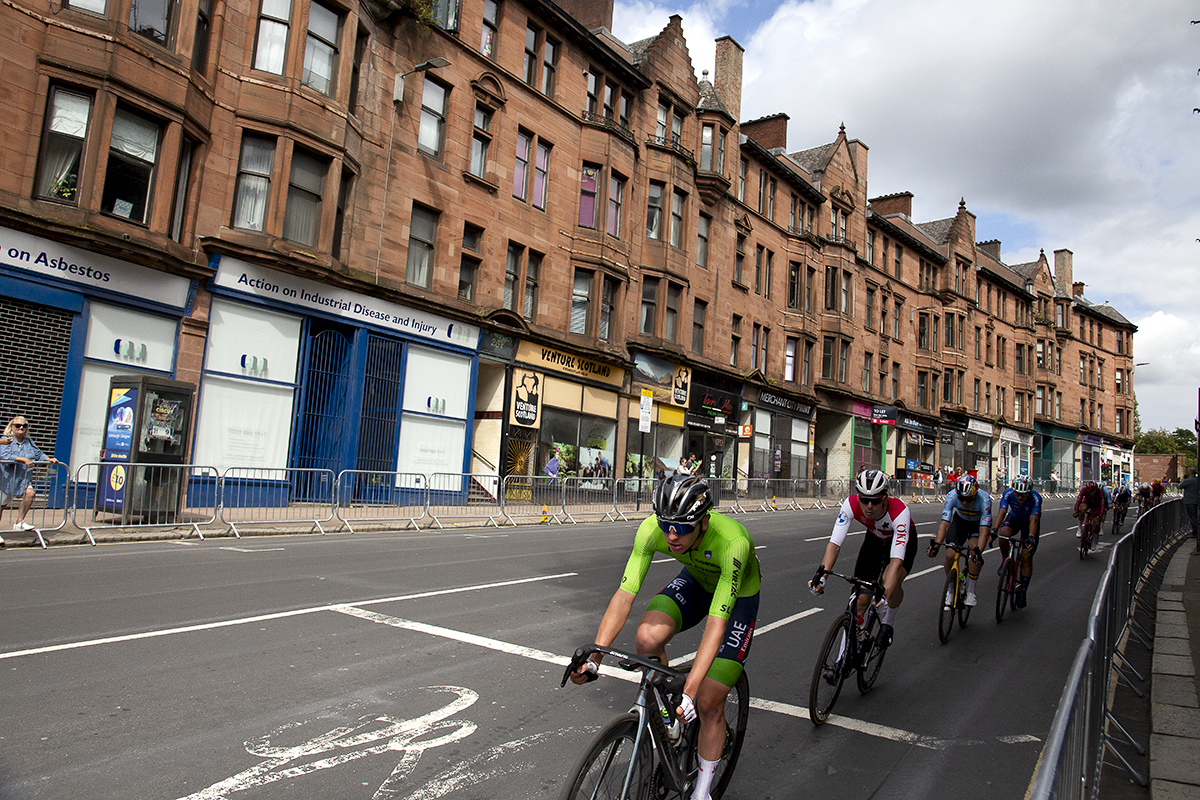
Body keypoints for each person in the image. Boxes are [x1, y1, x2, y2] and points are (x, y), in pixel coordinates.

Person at [569, 473, 760, 800]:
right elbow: (624, 595)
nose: (672, 535)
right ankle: (671, 718)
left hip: (737, 597)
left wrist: (692, 687)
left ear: (703, 522)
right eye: (665, 524)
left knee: (709, 697)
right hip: (697, 584)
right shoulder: (652, 531)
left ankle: (702, 792)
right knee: (646, 638)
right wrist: (595, 657)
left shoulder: (732, 543)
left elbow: (716, 623)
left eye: (682, 527)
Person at [809, 469, 916, 648]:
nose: (869, 506)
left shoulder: (900, 512)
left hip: (901, 542)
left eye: (874, 501)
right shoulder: (851, 504)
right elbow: (834, 544)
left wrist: (884, 593)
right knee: (860, 597)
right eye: (864, 500)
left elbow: (896, 561)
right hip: (874, 539)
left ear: (885, 497)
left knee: (891, 582)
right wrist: (822, 576)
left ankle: (889, 622)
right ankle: (848, 648)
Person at [927, 475, 993, 608]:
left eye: (968, 500)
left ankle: (971, 591)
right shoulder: (951, 496)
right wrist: (937, 546)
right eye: (961, 499)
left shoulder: (984, 499)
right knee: (949, 555)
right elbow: (945, 524)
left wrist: (979, 552)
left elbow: (984, 531)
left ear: (974, 495)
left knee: (974, 552)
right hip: (960, 522)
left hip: (977, 524)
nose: (964, 503)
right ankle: (951, 590)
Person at [0, 416, 60, 545]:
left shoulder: (28, 441)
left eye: (24, 426)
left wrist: (48, 459)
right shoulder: (5, 440)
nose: (21, 428)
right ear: (11, 427)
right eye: (18, 426)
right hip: (7, 479)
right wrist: (23, 459)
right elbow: (4, 456)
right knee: (1, 506)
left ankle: (19, 522)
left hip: (23, 478)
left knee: (30, 494)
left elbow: (38, 454)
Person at [995, 476, 1042, 608]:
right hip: (1015, 518)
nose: (1020, 498)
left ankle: (1022, 591)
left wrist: (1031, 536)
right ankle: (1005, 560)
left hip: (1029, 523)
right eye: (1018, 495)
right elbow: (1002, 512)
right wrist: (994, 530)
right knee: (1003, 533)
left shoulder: (1036, 498)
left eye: (1024, 495)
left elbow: (1034, 519)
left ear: (1029, 492)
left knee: (1026, 555)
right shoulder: (1008, 494)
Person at [1180, 468, 1198, 541]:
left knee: (1192, 517)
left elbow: (1179, 486)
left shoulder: (1187, 481)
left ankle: (1195, 532)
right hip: (1197, 500)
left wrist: (1184, 480)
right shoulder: (1197, 480)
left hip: (1190, 501)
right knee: (1196, 516)